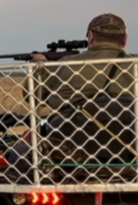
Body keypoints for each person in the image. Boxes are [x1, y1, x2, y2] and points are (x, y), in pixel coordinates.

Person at [27, 13, 138, 174]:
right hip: (130, 156)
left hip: (73, 158)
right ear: (125, 39)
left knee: (22, 149)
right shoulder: (134, 65)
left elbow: (31, 95)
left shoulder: (65, 64)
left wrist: (40, 66)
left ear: (91, 36)